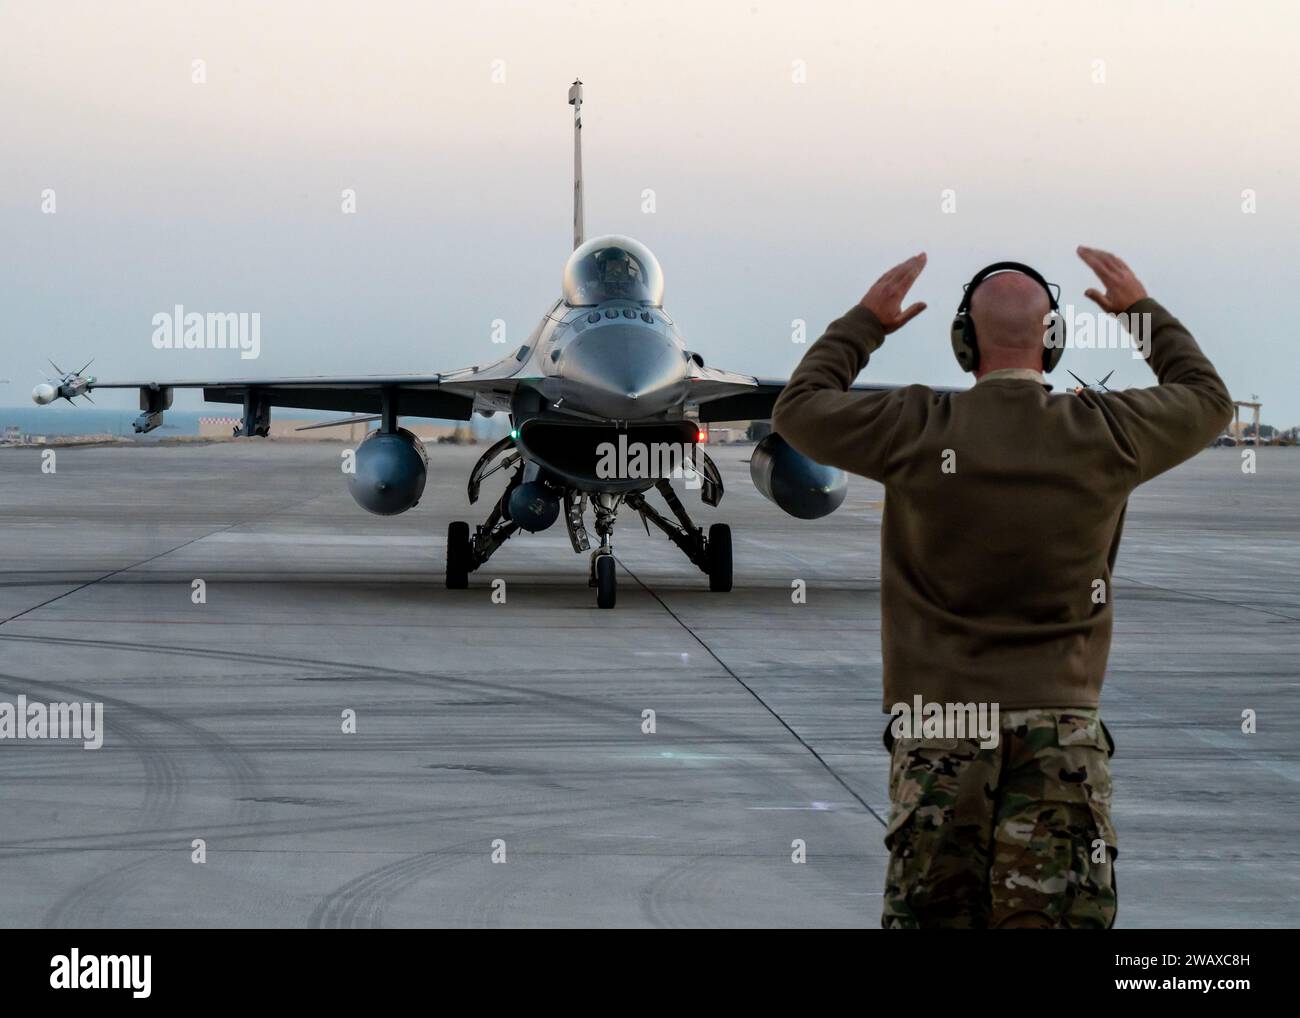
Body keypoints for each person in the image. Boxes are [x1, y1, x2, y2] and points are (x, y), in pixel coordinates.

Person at [771, 247, 1233, 928]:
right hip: (1061, 734)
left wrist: (866, 324)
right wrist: (1141, 315)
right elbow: (1208, 399)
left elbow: (799, 410)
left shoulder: (917, 426)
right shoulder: (1108, 431)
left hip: (939, 731)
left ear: (964, 341)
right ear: (1054, 344)